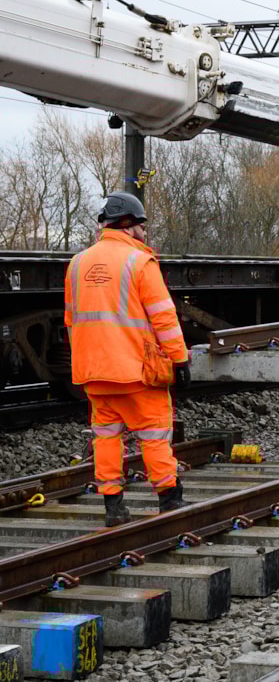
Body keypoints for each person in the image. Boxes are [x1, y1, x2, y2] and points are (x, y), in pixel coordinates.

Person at [64, 192, 190, 527]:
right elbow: (164, 317)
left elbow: (71, 321)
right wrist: (179, 359)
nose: (145, 234)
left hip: (93, 372)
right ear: (127, 225)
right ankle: (170, 500)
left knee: (105, 436)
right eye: (141, 226)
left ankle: (113, 506)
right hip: (136, 372)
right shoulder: (139, 262)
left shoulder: (77, 264)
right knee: (154, 434)